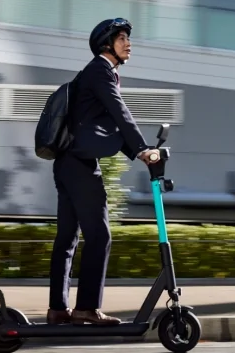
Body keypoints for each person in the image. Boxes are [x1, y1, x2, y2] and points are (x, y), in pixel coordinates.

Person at [47, 18, 160, 326]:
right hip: (80, 164)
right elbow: (120, 112)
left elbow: (106, 125)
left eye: (127, 38)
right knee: (100, 235)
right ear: (106, 44)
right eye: (122, 38)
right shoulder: (100, 70)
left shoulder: (95, 73)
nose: (128, 43)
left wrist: (139, 153)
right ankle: (86, 308)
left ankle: (58, 309)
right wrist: (142, 149)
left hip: (68, 163)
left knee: (67, 238)